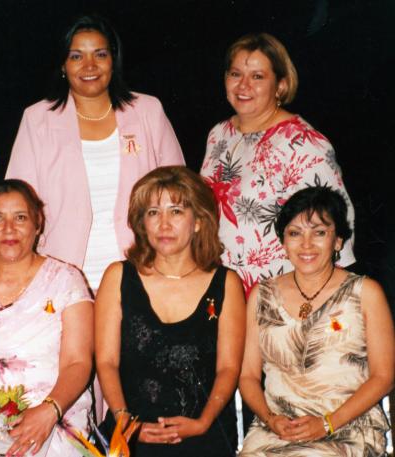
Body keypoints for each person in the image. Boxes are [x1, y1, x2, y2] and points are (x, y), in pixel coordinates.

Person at [6, 14, 185, 292]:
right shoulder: (37, 118)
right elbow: (16, 204)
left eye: (100, 54)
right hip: (62, 272)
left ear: (114, 60)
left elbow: (182, 190)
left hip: (144, 267)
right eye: (77, 56)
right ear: (63, 65)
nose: (89, 65)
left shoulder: (148, 111)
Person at [95, 166, 246, 457]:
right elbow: (107, 361)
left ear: (199, 221)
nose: (163, 224)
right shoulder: (118, 276)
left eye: (176, 211)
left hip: (202, 432)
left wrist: (203, 423)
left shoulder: (226, 283)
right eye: (153, 213)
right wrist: (125, 421)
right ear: (142, 223)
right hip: (130, 434)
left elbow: (229, 368)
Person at [239, 186, 394, 455]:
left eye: (319, 232)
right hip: (276, 431)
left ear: (338, 241)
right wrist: (271, 419)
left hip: (348, 428)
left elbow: (384, 377)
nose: (306, 244)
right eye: (295, 233)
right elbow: (248, 376)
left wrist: (326, 424)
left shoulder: (366, 293)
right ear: (283, 242)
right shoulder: (262, 295)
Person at [200, 32, 355, 299]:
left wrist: (321, 299)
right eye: (235, 74)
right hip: (222, 289)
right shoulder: (219, 135)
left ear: (281, 86)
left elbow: (340, 225)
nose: (243, 86)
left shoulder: (304, 143)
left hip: (281, 293)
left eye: (257, 76)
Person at [0, 180, 93, 457]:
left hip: (51, 417)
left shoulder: (66, 280)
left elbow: (78, 361)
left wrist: (49, 411)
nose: (9, 229)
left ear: (37, 223)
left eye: (20, 217)